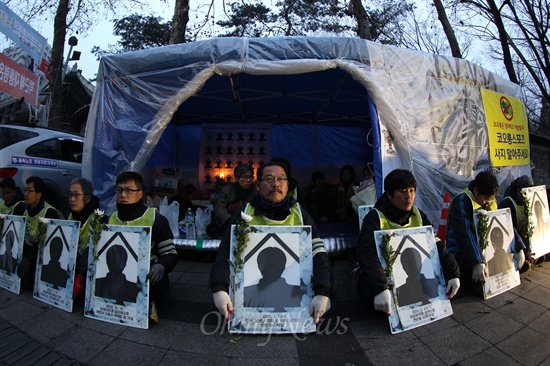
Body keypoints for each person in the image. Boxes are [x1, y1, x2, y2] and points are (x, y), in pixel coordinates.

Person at [209, 161, 332, 324]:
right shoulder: (244, 214)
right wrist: (219, 288)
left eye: (281, 179)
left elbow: (318, 254)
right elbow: (226, 251)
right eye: (268, 179)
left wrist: (323, 292)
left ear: (288, 185)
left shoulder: (301, 216)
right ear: (258, 186)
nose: (275, 184)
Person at [355, 169, 460, 315]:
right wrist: (380, 288)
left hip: (417, 277)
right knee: (368, 289)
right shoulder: (374, 218)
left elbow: (436, 244)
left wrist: (453, 272)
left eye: (412, 191)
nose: (409, 197)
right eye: (403, 191)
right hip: (385, 277)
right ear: (389, 195)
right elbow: (366, 254)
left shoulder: (418, 215)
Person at [108, 171, 178, 323]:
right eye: (119, 190)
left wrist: (161, 266)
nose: (123, 195)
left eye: (129, 190)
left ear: (140, 194)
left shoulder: (157, 219)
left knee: (158, 285)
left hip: (146, 273)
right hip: (116, 272)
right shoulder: (110, 219)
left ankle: (148, 304)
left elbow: (170, 253)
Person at [446, 171, 524, 289]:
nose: (488, 203)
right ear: (476, 191)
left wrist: (519, 247)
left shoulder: (490, 202)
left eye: (492, 200)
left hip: (483, 249)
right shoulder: (462, 202)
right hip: (461, 252)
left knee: (519, 262)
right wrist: (477, 262)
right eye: (486, 199)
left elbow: (505, 223)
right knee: (479, 281)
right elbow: (465, 234)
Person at [18, 176, 64, 289]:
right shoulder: (23, 208)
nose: (26, 194)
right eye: (25, 190)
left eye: (30, 191)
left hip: (45, 254)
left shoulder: (50, 213)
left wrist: (28, 258)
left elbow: (48, 243)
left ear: (39, 195)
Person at [66, 178, 101, 298]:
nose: (72, 199)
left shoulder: (98, 219)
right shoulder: (69, 216)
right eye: (70, 195)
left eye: (76, 195)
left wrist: (80, 275)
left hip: (88, 271)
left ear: (87, 198)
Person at [244, 247, 302, 311]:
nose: (271, 270)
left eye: (275, 264)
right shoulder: (246, 293)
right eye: (268, 266)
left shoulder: (247, 293)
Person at [206, 164, 255, 239]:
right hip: (230, 221)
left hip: (250, 221)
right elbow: (220, 207)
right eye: (244, 177)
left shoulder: (256, 189)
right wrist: (230, 220)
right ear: (237, 178)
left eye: (250, 177)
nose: (248, 180)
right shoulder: (227, 190)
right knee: (212, 229)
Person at [499, 175, 534, 271]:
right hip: (515, 243)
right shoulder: (507, 203)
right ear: (518, 191)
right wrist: (524, 248)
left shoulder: (527, 201)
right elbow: (510, 230)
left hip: (525, 239)